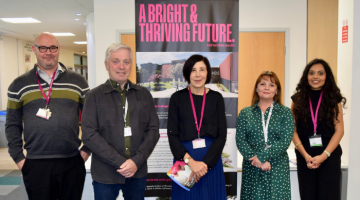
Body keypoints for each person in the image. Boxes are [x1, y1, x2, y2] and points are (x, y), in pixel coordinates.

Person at [5, 32, 90, 200]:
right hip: (36, 163)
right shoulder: (18, 84)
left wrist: (87, 149)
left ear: (58, 49)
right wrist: (19, 158)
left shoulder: (78, 81)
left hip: (72, 161)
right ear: (35, 50)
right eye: (43, 48)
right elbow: (12, 124)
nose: (48, 52)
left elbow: (91, 119)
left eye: (52, 48)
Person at [81, 43, 160, 200]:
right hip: (105, 174)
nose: (121, 66)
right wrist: (121, 162)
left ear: (131, 64)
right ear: (106, 65)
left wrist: (135, 161)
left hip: (137, 172)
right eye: (115, 61)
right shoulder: (94, 96)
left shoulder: (143, 94)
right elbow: (89, 134)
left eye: (126, 62)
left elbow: (153, 130)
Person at [167, 54, 227, 200]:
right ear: (187, 73)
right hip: (184, 160)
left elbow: (221, 135)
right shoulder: (177, 98)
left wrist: (204, 166)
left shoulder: (216, 98)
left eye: (202, 70)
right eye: (193, 70)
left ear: (208, 73)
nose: (198, 74)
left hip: (210, 163)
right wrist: (190, 163)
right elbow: (172, 135)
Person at [291, 59, 345, 200]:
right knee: (307, 195)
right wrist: (305, 154)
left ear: (327, 76)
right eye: (312, 73)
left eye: (320, 73)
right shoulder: (297, 99)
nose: (316, 77)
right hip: (305, 157)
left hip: (329, 156)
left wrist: (323, 155)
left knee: (329, 196)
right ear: (306, 76)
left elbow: (339, 130)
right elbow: (292, 129)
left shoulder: (334, 99)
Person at [236, 71, 294, 200]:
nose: (267, 88)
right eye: (262, 84)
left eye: (271, 85)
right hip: (252, 166)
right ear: (257, 88)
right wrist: (256, 160)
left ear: (277, 90)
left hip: (277, 166)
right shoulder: (245, 113)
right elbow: (240, 140)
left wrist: (262, 157)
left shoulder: (285, 113)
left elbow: (285, 141)